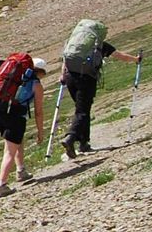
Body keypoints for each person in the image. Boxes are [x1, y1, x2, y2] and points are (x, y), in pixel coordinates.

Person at [59, 20, 141, 159]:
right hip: (87, 79)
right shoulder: (100, 46)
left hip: (70, 77)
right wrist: (136, 59)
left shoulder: (71, 44)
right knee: (83, 111)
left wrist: (62, 76)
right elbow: (119, 55)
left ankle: (84, 143)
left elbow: (65, 61)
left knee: (82, 109)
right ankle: (70, 137)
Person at [0, 54, 47, 197]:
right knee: (9, 150)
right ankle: (2, 184)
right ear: (40, 72)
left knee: (15, 140)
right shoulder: (36, 85)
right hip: (14, 115)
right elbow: (39, 112)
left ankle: (21, 170)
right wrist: (40, 132)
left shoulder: (16, 78)